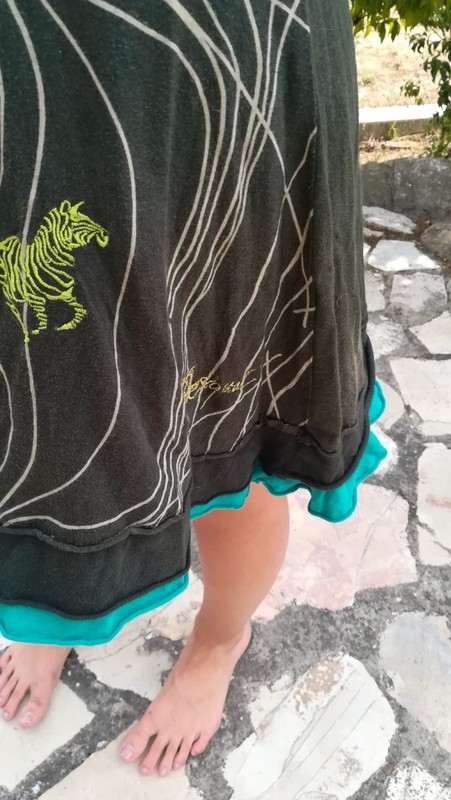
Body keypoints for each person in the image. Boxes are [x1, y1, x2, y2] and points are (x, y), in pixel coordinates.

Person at [0, 0, 387, 780]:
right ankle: (60, 601)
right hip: (26, 61)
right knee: (47, 416)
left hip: (219, 48)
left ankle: (217, 641)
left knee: (228, 426)